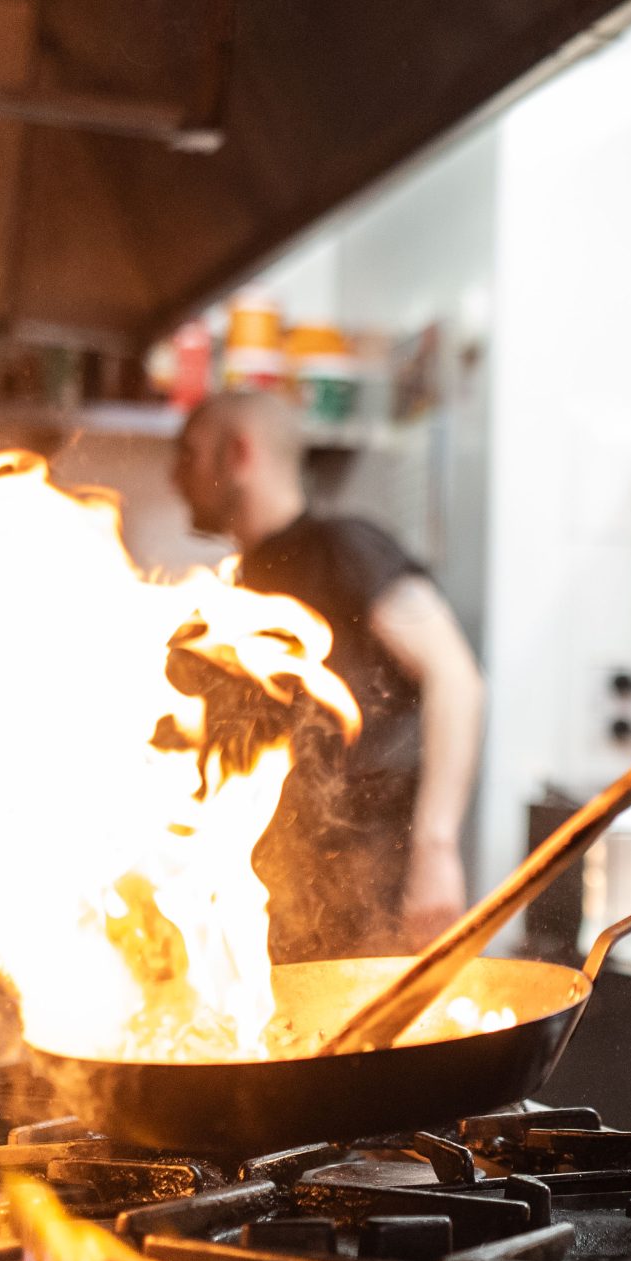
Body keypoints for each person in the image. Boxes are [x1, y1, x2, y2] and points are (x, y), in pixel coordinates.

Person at [174, 389, 483, 961]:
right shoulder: (237, 587)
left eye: (189, 454)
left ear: (238, 453)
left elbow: (456, 677)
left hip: (373, 906)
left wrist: (436, 847)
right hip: (282, 911)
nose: (176, 475)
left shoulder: (342, 549)